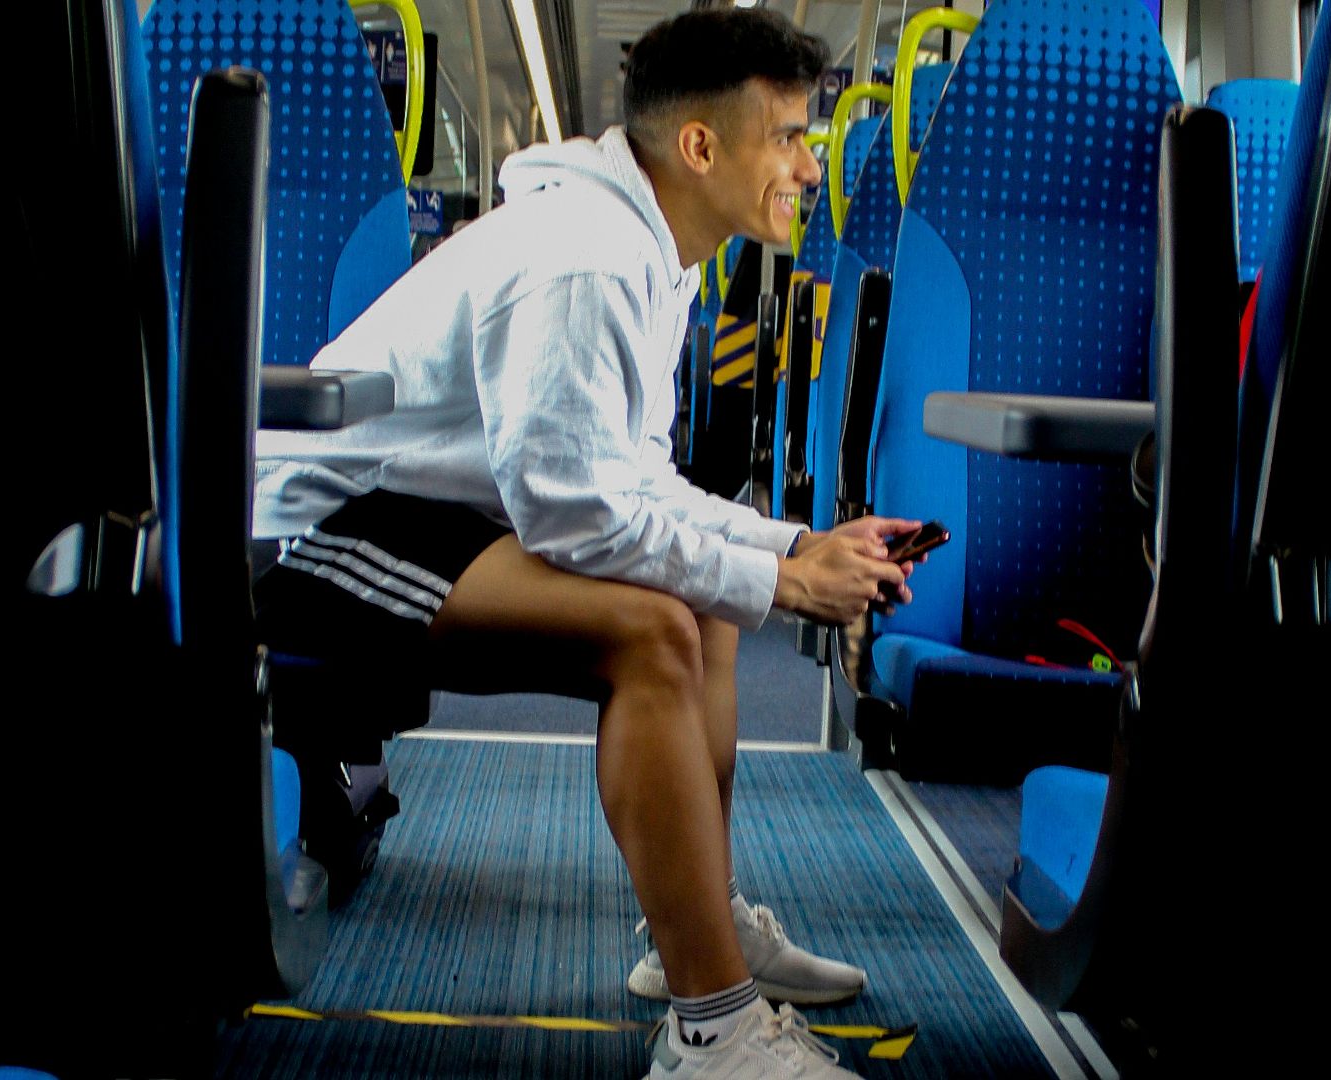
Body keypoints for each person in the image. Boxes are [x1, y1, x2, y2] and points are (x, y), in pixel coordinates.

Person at [252, 9, 921, 1078]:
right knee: (652, 630)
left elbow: (636, 484)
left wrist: (796, 541)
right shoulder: (588, 258)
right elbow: (577, 517)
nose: (810, 165)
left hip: (440, 516)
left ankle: (693, 929)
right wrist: (786, 584)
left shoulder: (655, 257)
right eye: (791, 137)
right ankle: (714, 1035)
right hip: (311, 533)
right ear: (700, 147)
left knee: (704, 609)